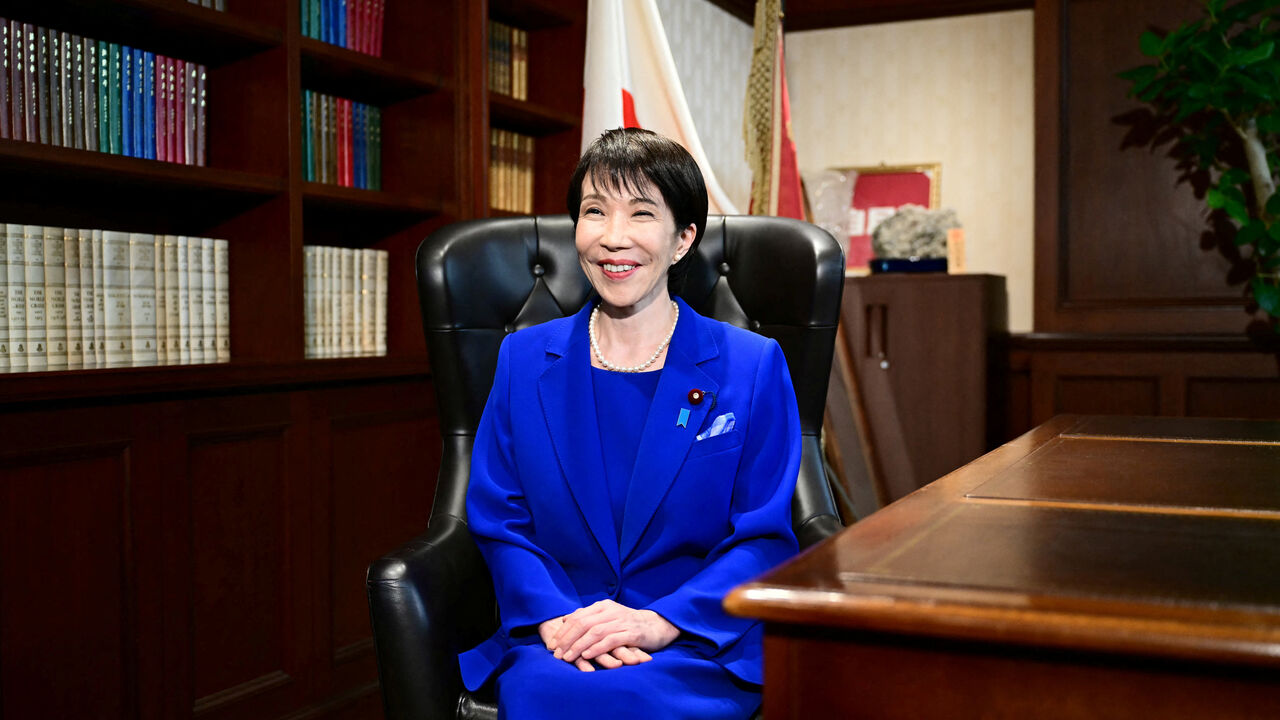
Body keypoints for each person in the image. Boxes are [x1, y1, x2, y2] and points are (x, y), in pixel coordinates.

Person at [458, 128, 801, 719]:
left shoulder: (752, 364)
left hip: (696, 638)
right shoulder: (522, 359)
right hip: (564, 636)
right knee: (549, 693)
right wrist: (557, 619)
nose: (613, 238)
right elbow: (499, 515)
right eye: (595, 212)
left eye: (642, 213)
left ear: (682, 239)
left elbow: (764, 534)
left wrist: (662, 621)